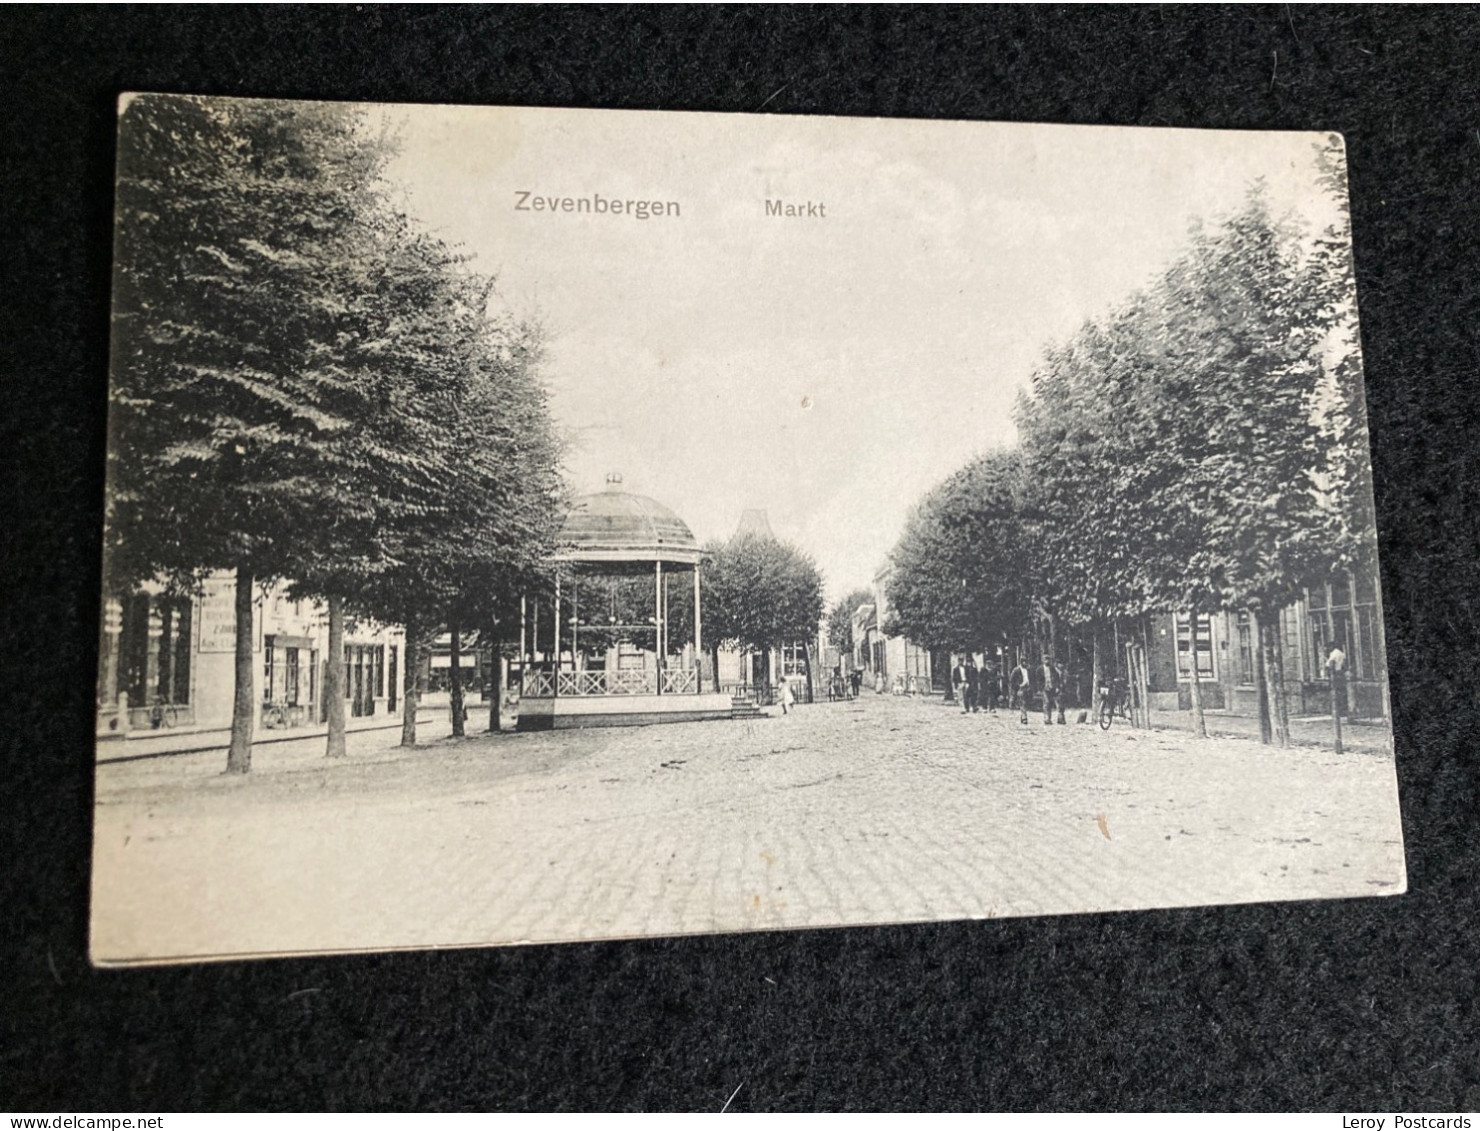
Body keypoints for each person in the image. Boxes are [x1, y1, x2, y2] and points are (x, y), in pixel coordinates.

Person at [1040, 656, 1066, 725]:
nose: (1047, 661)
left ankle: (1058, 718)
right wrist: (1041, 687)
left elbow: (1056, 678)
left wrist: (1057, 687)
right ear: (1043, 660)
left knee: (1055, 703)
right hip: (1044, 688)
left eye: (1048, 660)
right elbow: (1038, 680)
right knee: (1046, 703)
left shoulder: (1052, 669)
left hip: (1053, 688)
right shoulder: (1039, 669)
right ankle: (1047, 718)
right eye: (1045, 660)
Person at [1008, 658, 1031, 725]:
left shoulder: (1028, 670)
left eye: (1026, 662)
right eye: (1024, 662)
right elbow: (1012, 680)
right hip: (1020, 688)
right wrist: (1017, 686)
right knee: (1022, 702)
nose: (1026, 663)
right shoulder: (1016, 670)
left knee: (1025, 703)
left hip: (1027, 688)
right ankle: (1024, 718)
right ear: (1022, 662)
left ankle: (1022, 716)